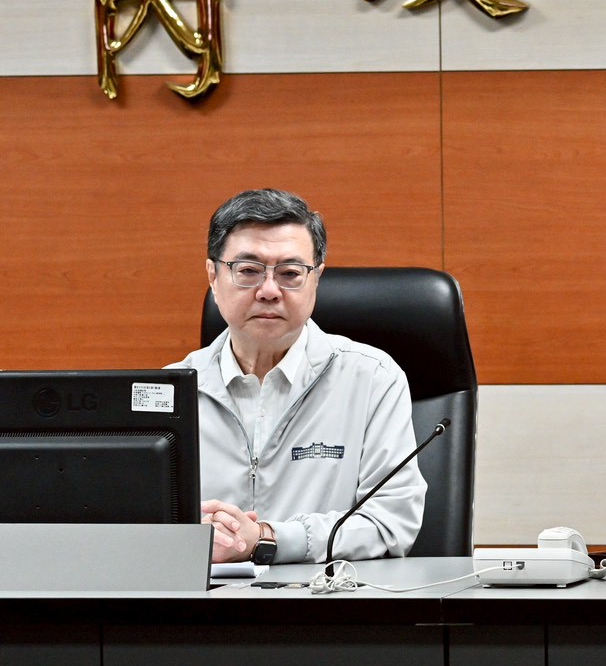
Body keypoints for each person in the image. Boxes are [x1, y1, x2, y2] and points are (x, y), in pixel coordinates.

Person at [173, 188, 424, 565]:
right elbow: (135, 524)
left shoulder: (372, 378)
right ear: (213, 276)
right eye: (248, 271)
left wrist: (267, 538)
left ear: (316, 279)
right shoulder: (171, 392)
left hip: (327, 596)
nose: (268, 291)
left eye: (290, 273)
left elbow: (390, 522)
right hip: (196, 597)